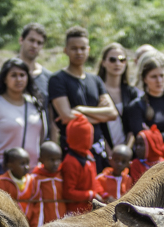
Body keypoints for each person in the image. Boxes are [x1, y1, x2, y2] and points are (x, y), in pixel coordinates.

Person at [49, 27, 117, 172]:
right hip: (72, 153)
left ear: (88, 50)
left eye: (82, 48)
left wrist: (80, 110)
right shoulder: (57, 80)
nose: (79, 52)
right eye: (74, 48)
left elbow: (112, 113)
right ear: (66, 50)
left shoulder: (96, 80)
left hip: (98, 150)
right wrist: (100, 115)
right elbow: (66, 116)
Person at [0, 58, 45, 177]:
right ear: (5, 79)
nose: (19, 79)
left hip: (31, 172)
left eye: (22, 75)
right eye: (13, 75)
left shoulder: (34, 104)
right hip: (2, 171)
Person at [97, 43, 139, 151]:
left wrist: (126, 151)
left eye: (122, 60)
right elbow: (97, 126)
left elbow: (134, 125)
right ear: (103, 62)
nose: (117, 63)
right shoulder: (95, 91)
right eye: (112, 59)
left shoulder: (131, 92)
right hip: (103, 151)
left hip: (128, 152)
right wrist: (109, 153)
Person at [59, 114, 104, 215]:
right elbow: (68, 193)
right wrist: (90, 195)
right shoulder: (70, 162)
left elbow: (94, 180)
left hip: (90, 209)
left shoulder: (88, 155)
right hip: (76, 213)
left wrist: (102, 193)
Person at [24, 140, 64, 227]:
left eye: (58, 159)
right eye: (52, 160)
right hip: (42, 223)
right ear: (41, 159)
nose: (56, 163)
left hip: (62, 221)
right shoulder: (35, 178)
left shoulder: (62, 176)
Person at [18, 24, 51, 111]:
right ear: (21, 40)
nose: (34, 46)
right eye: (31, 40)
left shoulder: (49, 78)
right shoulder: (4, 74)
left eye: (39, 43)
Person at [0, 147, 32, 211]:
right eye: (22, 164)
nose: (26, 167)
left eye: (27, 163)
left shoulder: (32, 180)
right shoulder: (2, 182)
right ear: (10, 166)